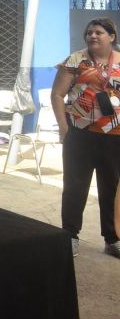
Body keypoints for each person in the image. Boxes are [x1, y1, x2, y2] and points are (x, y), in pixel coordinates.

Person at [51, 17, 120, 259]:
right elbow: (58, 94)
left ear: (111, 36)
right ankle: (69, 236)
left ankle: (112, 239)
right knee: (75, 187)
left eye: (99, 32)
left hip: (115, 137)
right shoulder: (75, 60)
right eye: (89, 32)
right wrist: (63, 127)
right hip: (79, 135)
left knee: (111, 188)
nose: (92, 35)